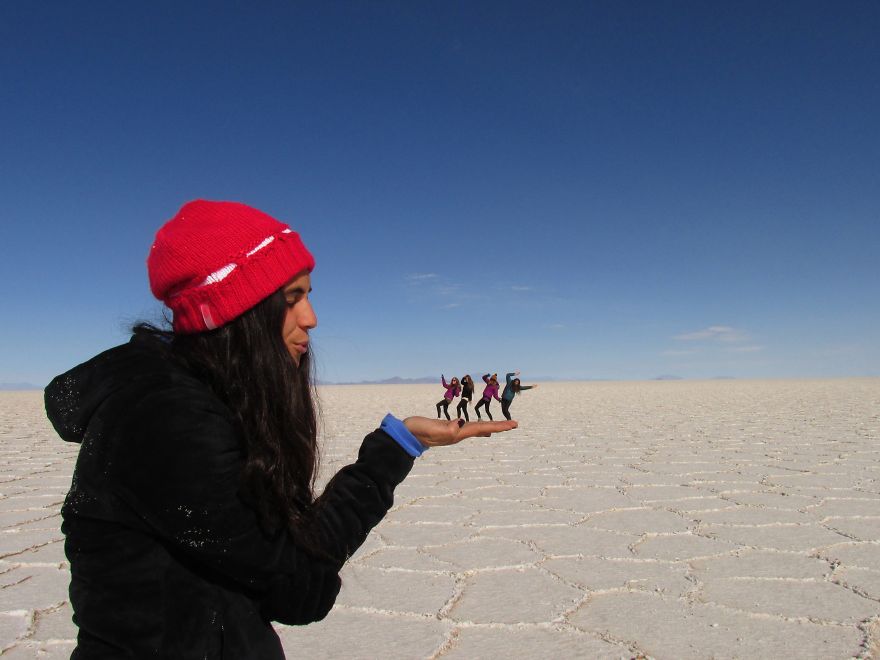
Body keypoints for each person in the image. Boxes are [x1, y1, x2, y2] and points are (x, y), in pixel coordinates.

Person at [43, 200, 517, 659]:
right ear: (239, 310)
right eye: (293, 298)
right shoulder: (166, 421)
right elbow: (299, 584)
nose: (311, 317)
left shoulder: (206, 398)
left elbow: (280, 557)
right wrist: (391, 452)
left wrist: (404, 442)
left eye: (308, 296)